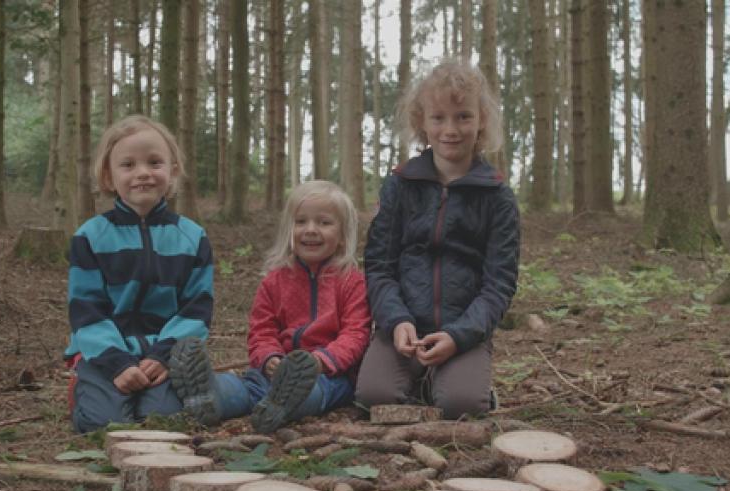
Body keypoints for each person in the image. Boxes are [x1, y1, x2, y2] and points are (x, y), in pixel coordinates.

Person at [355, 59, 520, 419]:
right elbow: (379, 267)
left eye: (463, 116)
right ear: (421, 122)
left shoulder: (497, 196)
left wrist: (460, 335)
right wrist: (396, 320)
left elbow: (499, 285)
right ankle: (419, 379)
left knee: (462, 406)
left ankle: (452, 380)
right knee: (373, 396)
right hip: (402, 328)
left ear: (482, 121)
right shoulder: (400, 184)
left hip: (463, 329)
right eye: (438, 117)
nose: (451, 129)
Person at [169, 180, 371, 433]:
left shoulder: (352, 282)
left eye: (324, 222)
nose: (310, 230)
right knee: (246, 386)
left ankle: (282, 405)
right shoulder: (275, 281)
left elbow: (356, 335)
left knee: (314, 391)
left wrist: (319, 361)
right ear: (289, 230)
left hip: (330, 375)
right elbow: (261, 331)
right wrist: (269, 358)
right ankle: (211, 396)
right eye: (301, 222)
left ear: (342, 237)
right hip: (274, 370)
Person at [65, 115, 214, 433]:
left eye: (154, 162)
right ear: (108, 175)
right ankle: (86, 387)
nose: (143, 173)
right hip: (104, 352)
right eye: (128, 165)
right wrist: (117, 362)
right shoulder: (90, 236)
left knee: (164, 420)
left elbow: (197, 308)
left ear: (172, 170)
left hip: (164, 353)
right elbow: (85, 309)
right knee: (103, 425)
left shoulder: (192, 237)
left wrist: (165, 355)